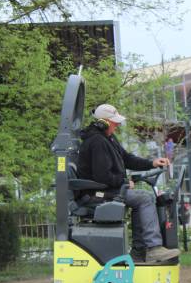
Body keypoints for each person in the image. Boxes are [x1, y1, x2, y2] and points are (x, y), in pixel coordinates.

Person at [77, 103, 179, 262]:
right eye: (114, 122)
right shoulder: (97, 142)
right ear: (103, 122)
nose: (117, 125)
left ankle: (139, 251)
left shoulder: (108, 138)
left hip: (106, 190)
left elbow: (126, 158)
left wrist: (152, 163)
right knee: (144, 198)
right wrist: (123, 182)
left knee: (143, 198)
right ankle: (153, 248)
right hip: (97, 193)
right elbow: (102, 176)